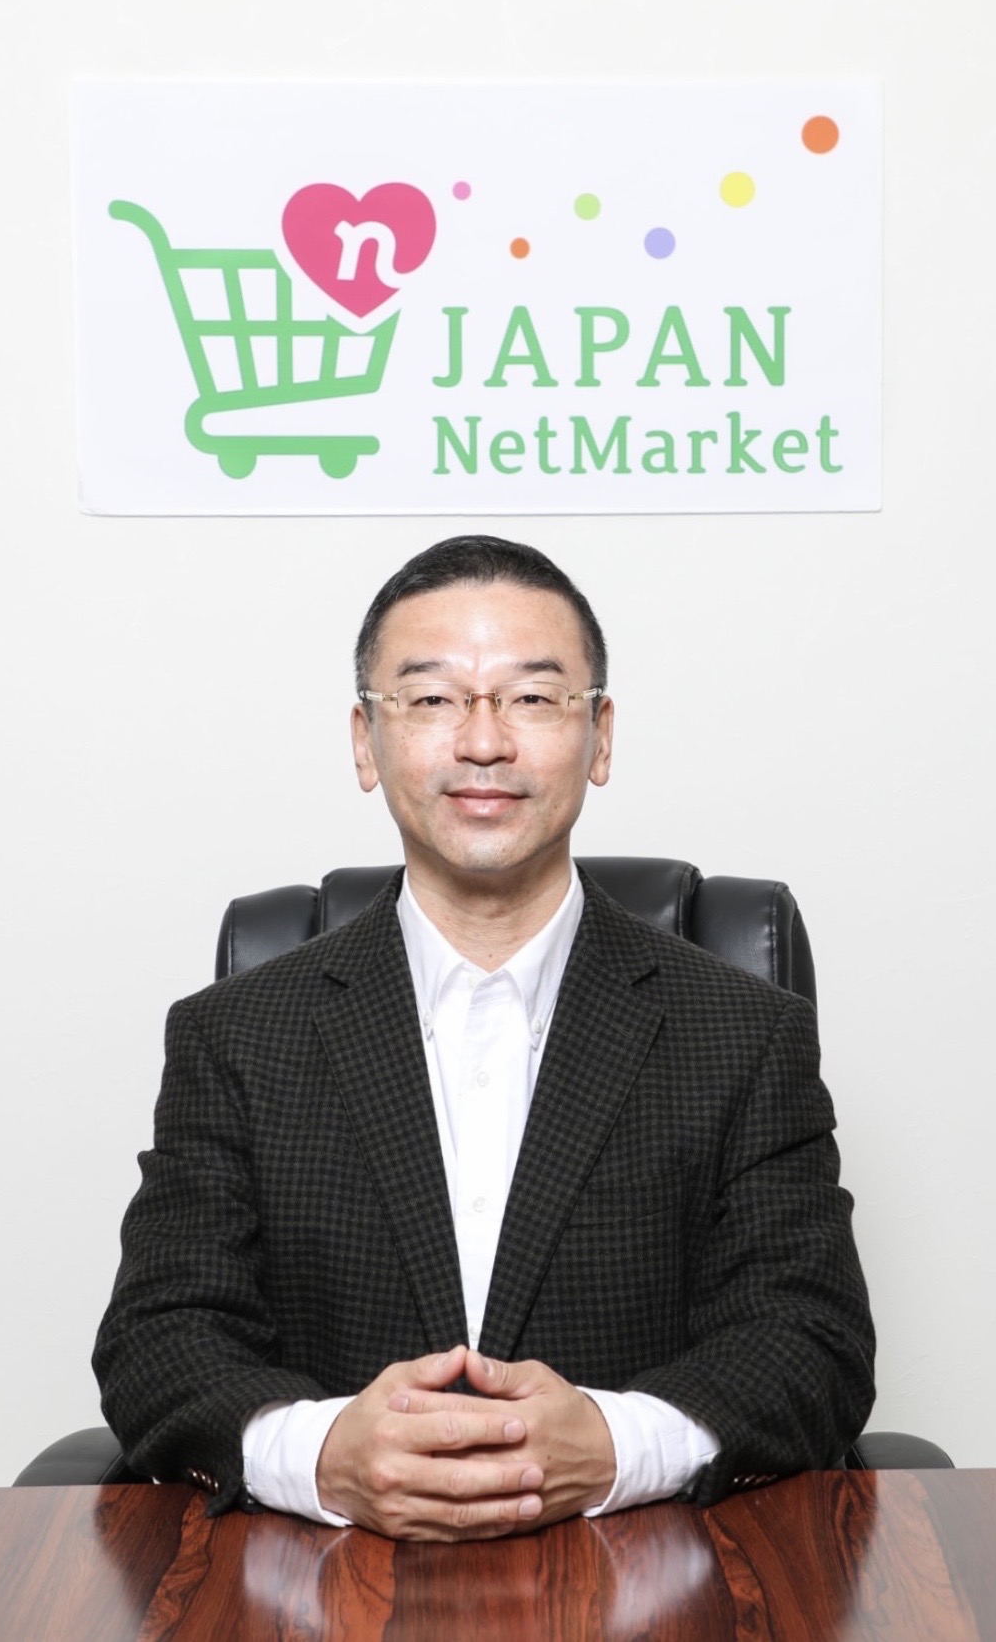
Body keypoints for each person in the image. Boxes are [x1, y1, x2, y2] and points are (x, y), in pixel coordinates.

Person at [94, 535, 874, 1541]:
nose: (483, 742)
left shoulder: (744, 1034)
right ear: (366, 742)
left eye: (533, 697)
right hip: (328, 1578)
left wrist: (614, 1443)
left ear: (599, 737)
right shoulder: (236, 1036)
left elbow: (812, 1341)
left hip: (644, 1570)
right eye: (431, 698)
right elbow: (157, 1340)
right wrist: (325, 1454)